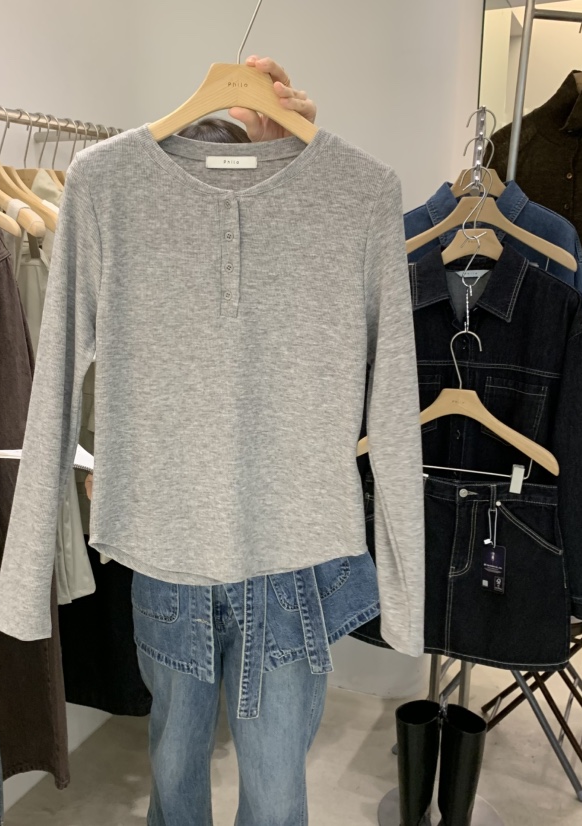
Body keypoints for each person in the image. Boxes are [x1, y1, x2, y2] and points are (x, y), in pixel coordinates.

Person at [85, 56, 380, 826]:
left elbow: (368, 381)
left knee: (273, 790)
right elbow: (101, 370)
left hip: (285, 556)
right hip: (172, 548)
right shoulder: (127, 204)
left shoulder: (337, 208)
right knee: (175, 774)